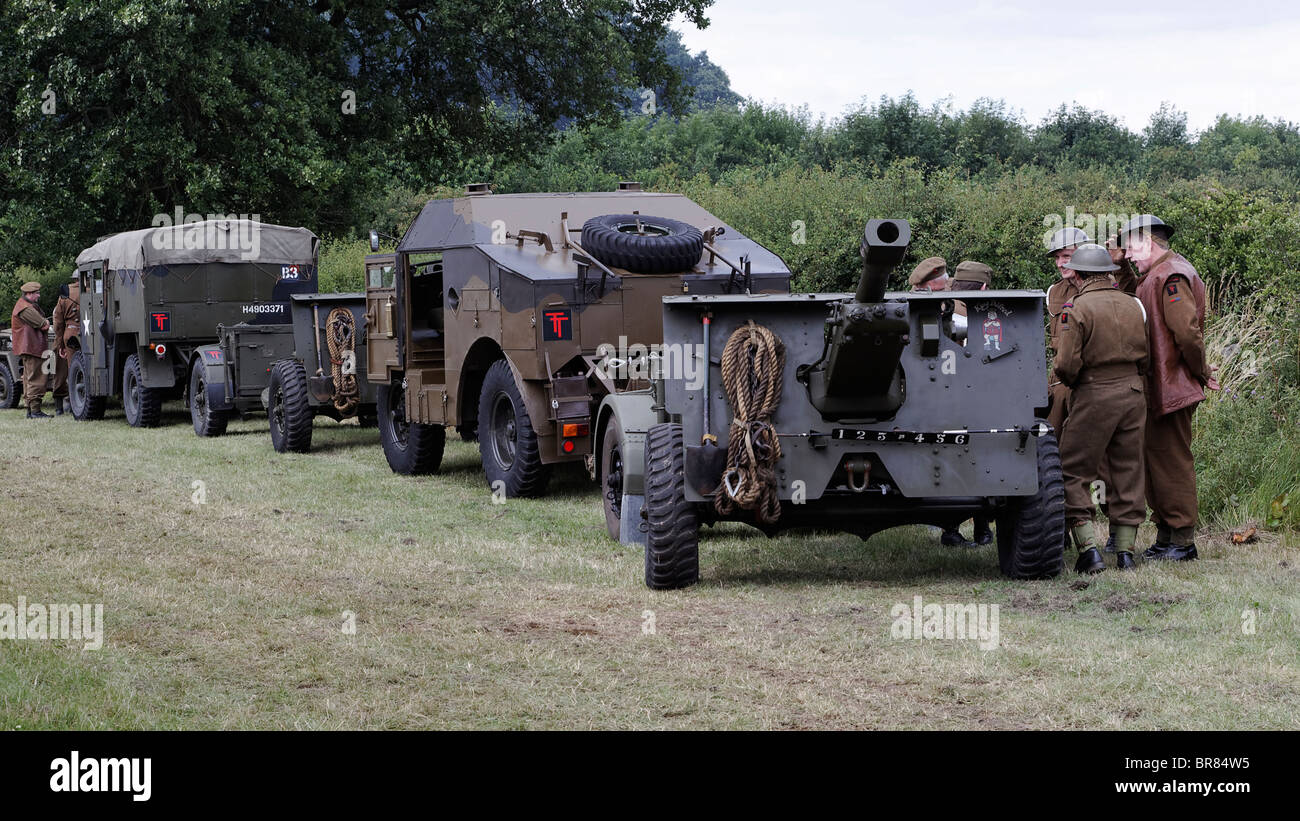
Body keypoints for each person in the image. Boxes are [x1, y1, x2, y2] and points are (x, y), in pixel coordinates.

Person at [1115, 215, 1215, 562]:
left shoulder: (1171, 275)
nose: (1127, 254)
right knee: (1156, 462)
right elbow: (1132, 299)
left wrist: (1200, 371)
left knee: (1171, 463)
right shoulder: (1153, 275)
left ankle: (1183, 541)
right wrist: (1121, 267)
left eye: (1130, 246)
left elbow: (1186, 333)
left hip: (1171, 385)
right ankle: (1167, 535)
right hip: (1159, 385)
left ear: (1148, 241)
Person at [1052, 244, 1149, 573]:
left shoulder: (1075, 307)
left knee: (1073, 470)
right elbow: (1147, 356)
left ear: (1078, 276)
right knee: (1129, 469)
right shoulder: (1134, 304)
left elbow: (1065, 365)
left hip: (1094, 392)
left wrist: (1077, 381)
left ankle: (1089, 552)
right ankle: (1125, 553)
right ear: (1108, 273)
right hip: (1134, 392)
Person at [936, 261, 995, 548]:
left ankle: (954, 527)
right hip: (974, 396)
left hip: (947, 398)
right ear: (983, 286)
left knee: (954, 461)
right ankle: (978, 528)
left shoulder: (944, 306)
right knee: (979, 460)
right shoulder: (976, 313)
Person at [9, 281, 51, 419]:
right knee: (36, 378)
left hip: (29, 347)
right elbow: (43, 325)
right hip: (32, 348)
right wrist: (46, 322)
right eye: (36, 293)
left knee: (29, 378)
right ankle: (35, 411)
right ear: (28, 294)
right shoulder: (26, 308)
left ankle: (31, 411)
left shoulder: (23, 305)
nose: (38, 296)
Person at [51, 277, 80, 415]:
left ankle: (60, 407)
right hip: (91, 334)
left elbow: (58, 322)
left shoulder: (66, 293)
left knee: (64, 370)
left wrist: (60, 342)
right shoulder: (94, 288)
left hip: (71, 333)